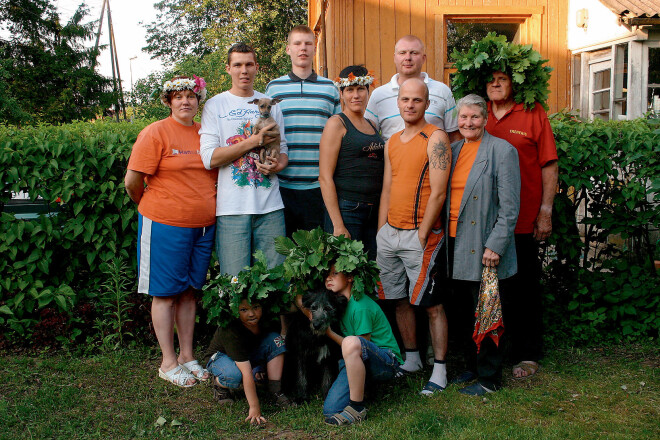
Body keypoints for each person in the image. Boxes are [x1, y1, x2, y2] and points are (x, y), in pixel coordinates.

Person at [125, 75, 215, 387]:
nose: (185, 101)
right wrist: (157, 207)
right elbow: (132, 182)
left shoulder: (206, 132)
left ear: (198, 99)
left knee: (189, 291)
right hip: (165, 224)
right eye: (178, 97)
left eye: (191, 96)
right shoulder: (156, 132)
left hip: (203, 227)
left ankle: (187, 356)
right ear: (168, 101)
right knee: (165, 293)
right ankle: (168, 361)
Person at [376, 78, 451, 395]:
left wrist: (422, 234)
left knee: (432, 305)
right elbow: (388, 188)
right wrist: (382, 229)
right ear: (398, 103)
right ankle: (412, 358)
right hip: (390, 233)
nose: (410, 104)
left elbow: (439, 192)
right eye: (405, 99)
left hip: (420, 234)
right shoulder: (392, 141)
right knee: (398, 300)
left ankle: (441, 370)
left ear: (426, 103)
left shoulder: (436, 138)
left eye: (416, 100)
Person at [485, 71, 559, 378]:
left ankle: (527, 353)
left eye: (503, 78)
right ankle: (490, 353)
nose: (496, 84)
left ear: (516, 82)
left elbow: (549, 163)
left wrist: (545, 210)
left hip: (524, 220)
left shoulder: (532, 112)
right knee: (490, 290)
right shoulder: (477, 111)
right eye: (490, 79)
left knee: (523, 289)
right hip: (485, 223)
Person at [447, 94, 521, 396]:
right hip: (454, 242)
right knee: (464, 311)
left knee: (487, 310)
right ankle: (472, 366)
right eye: (463, 117)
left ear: (485, 119)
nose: (468, 123)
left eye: (474, 117)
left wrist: (496, 244)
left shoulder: (502, 151)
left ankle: (489, 378)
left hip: (484, 246)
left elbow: (510, 206)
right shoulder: (451, 150)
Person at [199, 43, 289, 276]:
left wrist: (277, 164)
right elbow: (209, 158)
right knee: (234, 283)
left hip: (270, 206)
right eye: (237, 65)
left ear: (257, 68)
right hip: (231, 209)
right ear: (228, 68)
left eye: (249, 64)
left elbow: (283, 147)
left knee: (276, 282)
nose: (244, 70)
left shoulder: (269, 103)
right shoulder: (215, 105)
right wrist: (254, 141)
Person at [265, 25, 341, 236]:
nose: (303, 48)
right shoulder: (274, 88)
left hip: (320, 185)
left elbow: (338, 134)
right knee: (286, 255)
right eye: (297, 43)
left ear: (315, 48)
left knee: (318, 254)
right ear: (288, 49)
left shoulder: (330, 88)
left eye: (308, 43)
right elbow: (268, 132)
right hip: (282, 185)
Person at [322, 264, 402, 425]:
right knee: (331, 410)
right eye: (327, 275)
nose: (329, 278)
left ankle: (357, 408)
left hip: (385, 361)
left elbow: (362, 345)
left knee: (352, 342)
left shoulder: (360, 306)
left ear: (350, 278)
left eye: (335, 273)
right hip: (357, 359)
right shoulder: (339, 304)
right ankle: (365, 390)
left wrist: (329, 333)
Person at [319, 65, 384, 259]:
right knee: (345, 275)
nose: (356, 95)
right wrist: (338, 224)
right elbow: (324, 177)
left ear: (368, 91)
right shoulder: (336, 124)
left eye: (360, 89)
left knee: (369, 271)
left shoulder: (372, 124)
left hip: (373, 210)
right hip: (348, 210)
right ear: (341, 93)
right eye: (350, 90)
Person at [203, 299, 292, 425]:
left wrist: (260, 368)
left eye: (256, 307)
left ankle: (275, 391)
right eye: (243, 310)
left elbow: (266, 345)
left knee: (276, 340)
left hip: (247, 352)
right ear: (235, 311)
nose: (251, 314)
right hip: (221, 357)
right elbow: (246, 372)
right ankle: (219, 385)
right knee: (235, 375)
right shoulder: (230, 329)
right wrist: (254, 408)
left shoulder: (267, 319)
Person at [365, 35, 460, 143]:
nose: (408, 58)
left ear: (424, 58)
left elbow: (455, 138)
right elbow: (369, 138)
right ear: (395, 57)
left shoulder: (442, 91)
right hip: (391, 158)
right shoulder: (379, 95)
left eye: (414, 53)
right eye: (402, 53)